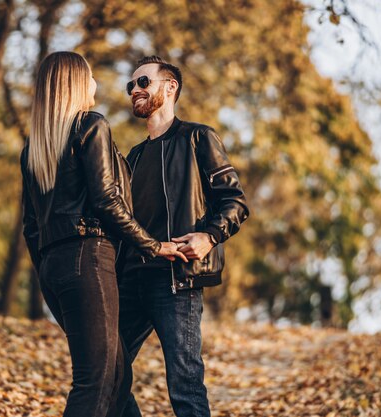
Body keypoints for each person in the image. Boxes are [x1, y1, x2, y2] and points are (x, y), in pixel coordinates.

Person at [20, 51, 186, 417]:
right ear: (77, 82)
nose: (96, 82)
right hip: (88, 261)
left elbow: (30, 227)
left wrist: (51, 270)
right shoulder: (90, 125)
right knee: (96, 380)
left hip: (54, 269)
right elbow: (107, 201)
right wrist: (153, 246)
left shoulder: (34, 148)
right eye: (91, 75)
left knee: (117, 374)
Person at [118, 56, 250, 417]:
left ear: (169, 86)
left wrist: (209, 237)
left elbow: (235, 202)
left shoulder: (198, 138)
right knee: (107, 376)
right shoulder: (133, 156)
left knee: (185, 386)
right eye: (130, 86)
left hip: (176, 281)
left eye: (142, 82)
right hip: (131, 280)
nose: (134, 91)